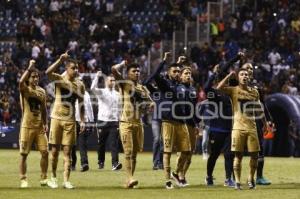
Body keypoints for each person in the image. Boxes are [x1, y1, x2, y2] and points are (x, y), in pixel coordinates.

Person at [145, 52, 191, 189]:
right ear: (169, 73)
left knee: (187, 151)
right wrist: (164, 61)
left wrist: (179, 64)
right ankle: (167, 180)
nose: (177, 73)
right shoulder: (165, 85)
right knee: (167, 152)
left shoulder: (183, 86)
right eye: (174, 71)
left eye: (179, 71)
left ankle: (176, 173)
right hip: (168, 122)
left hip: (182, 123)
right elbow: (149, 80)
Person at [217, 68, 267, 190]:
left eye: (246, 75)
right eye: (242, 74)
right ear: (238, 78)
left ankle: (251, 179)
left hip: (252, 128)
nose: (244, 76)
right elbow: (219, 87)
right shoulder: (233, 90)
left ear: (249, 78)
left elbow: (259, 108)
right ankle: (238, 182)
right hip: (238, 128)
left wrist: (265, 123)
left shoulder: (255, 92)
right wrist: (229, 75)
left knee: (255, 156)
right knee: (238, 156)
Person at [46, 51, 85, 189]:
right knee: (55, 151)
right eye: (73, 68)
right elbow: (47, 72)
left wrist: (82, 120)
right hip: (56, 118)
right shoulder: (59, 79)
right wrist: (60, 59)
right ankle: (53, 178)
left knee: (67, 152)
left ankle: (66, 180)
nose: (75, 70)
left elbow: (81, 104)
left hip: (70, 121)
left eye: (77, 68)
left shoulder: (80, 85)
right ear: (67, 68)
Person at [111, 61, 153, 188]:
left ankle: (129, 180)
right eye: (133, 71)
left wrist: (150, 106)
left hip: (138, 124)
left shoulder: (143, 89)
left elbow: (150, 104)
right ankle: (130, 178)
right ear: (128, 74)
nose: (137, 73)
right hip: (126, 123)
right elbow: (113, 69)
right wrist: (123, 63)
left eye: (138, 71)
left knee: (134, 155)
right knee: (128, 152)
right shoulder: (124, 84)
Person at [18, 60, 49, 188]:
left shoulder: (42, 91)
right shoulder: (24, 89)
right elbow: (20, 81)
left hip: (40, 127)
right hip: (27, 126)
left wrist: (46, 122)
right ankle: (23, 179)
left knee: (45, 152)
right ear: (29, 77)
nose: (36, 78)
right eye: (33, 76)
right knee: (24, 154)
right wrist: (29, 68)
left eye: (37, 76)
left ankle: (43, 178)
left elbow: (44, 109)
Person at [241, 63, 272, 185]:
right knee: (237, 151)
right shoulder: (236, 85)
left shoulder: (256, 87)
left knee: (259, 149)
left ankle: (259, 176)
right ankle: (231, 177)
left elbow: (262, 104)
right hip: (240, 121)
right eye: (246, 68)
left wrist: (269, 120)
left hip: (256, 121)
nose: (249, 70)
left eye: (251, 68)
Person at [91, 71, 122, 171]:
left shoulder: (118, 94)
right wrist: (97, 76)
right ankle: (101, 161)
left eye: (113, 80)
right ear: (105, 82)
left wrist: (120, 120)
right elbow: (92, 88)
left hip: (113, 122)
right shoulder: (102, 92)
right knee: (101, 144)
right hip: (102, 121)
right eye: (110, 80)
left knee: (114, 144)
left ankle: (115, 164)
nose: (112, 82)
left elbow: (119, 108)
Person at [71, 81, 94, 172]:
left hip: (83, 121)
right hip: (73, 120)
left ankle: (84, 163)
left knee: (82, 143)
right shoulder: (72, 92)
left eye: (82, 83)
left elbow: (89, 108)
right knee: (71, 144)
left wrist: (91, 121)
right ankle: (72, 163)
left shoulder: (87, 94)